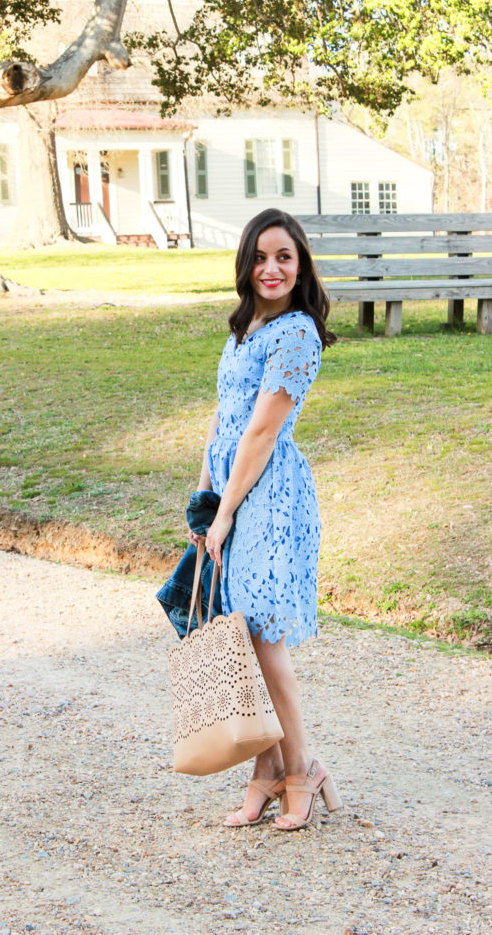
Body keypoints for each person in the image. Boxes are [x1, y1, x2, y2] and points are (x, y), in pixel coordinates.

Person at [189, 207, 341, 832]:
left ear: (300, 264)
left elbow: (259, 431)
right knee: (240, 637)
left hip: (270, 498)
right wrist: (203, 500)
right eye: (260, 257)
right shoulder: (245, 327)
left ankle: (302, 768)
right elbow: (223, 418)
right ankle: (266, 769)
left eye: (284, 257)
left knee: (265, 638)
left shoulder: (297, 335)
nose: (271, 268)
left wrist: (225, 511)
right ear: (245, 263)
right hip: (228, 494)